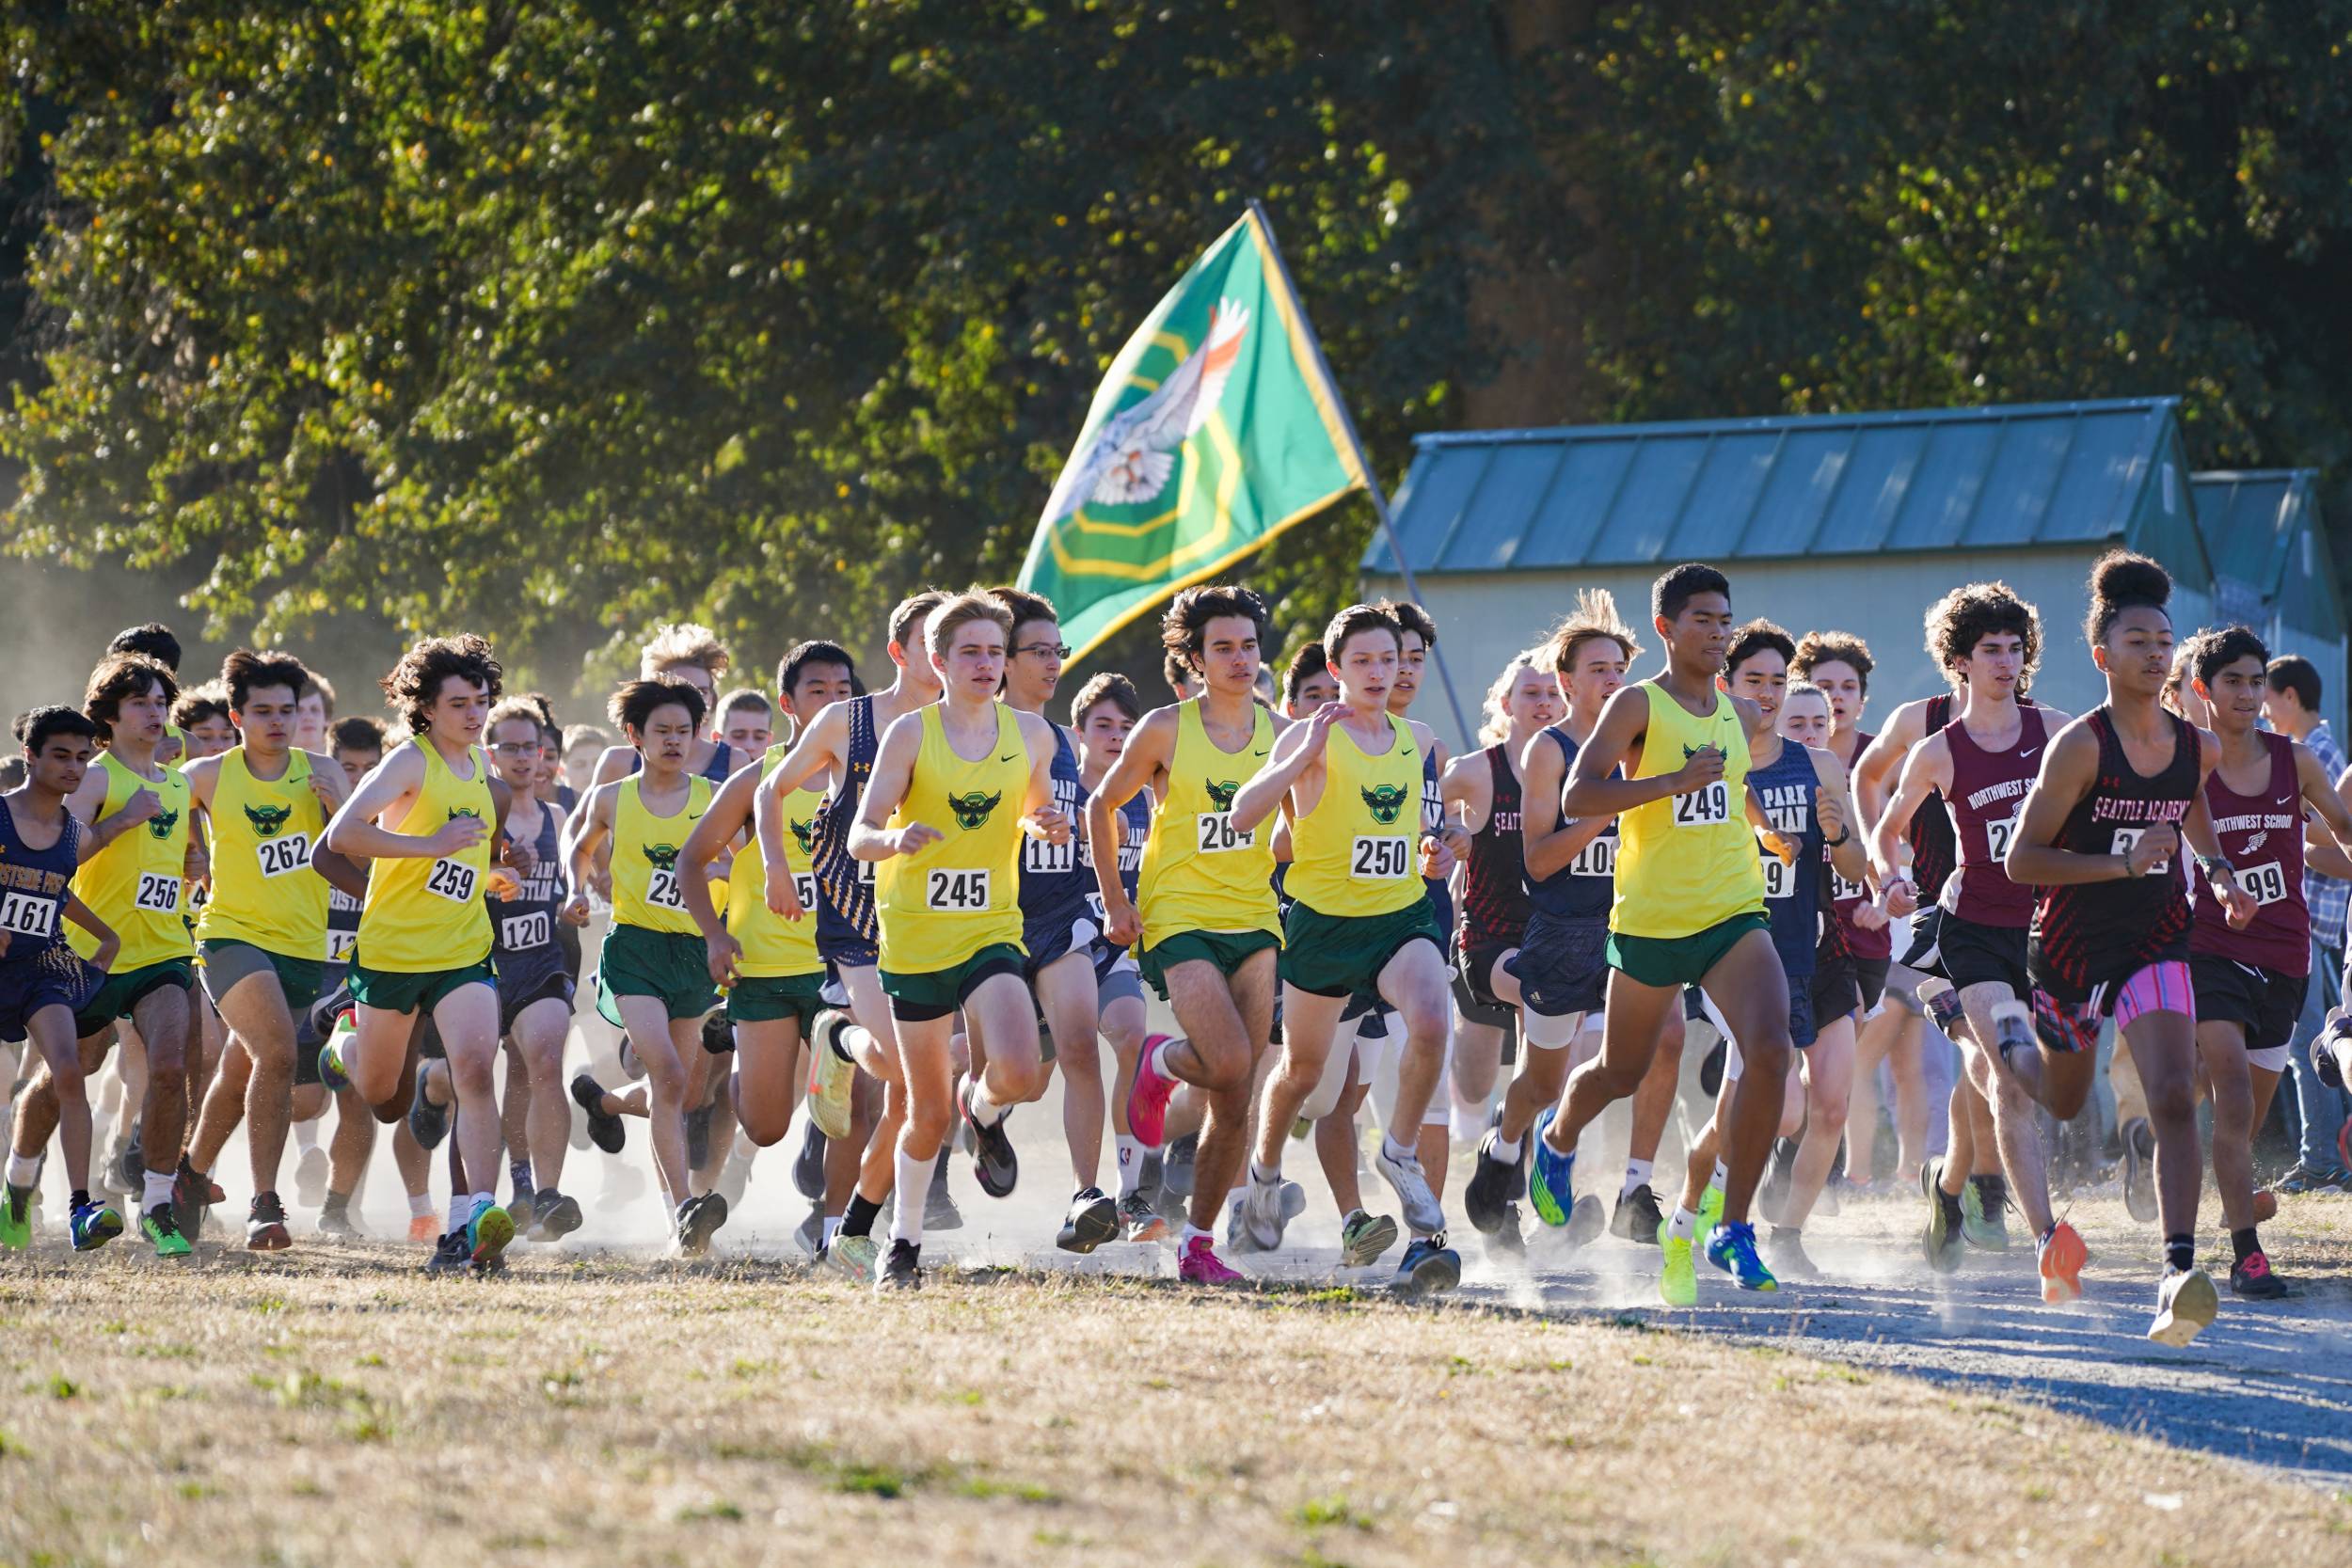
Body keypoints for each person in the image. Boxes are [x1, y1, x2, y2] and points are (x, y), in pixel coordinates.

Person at [2006, 552, 2256, 1346]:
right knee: (2065, 1096)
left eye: (2164, 640)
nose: (2155, 652)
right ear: (2102, 655)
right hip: (2072, 945)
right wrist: (2118, 862)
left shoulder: (2198, 746)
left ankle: (2176, 1272)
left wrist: (2217, 874)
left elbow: (2191, 814)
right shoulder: (2079, 747)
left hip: (2157, 934)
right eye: (2138, 639)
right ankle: (2000, 1047)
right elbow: (2021, 861)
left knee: (2176, 1093)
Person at [1523, 562, 1794, 1296]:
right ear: (1668, 629)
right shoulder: (1638, 705)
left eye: (1725, 619)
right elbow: (1580, 793)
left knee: (1773, 1050)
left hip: (1732, 910)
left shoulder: (1737, 713)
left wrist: (1769, 834)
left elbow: (1734, 786)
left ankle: (1731, 1227)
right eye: (1702, 619)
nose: (1718, 632)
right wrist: (1670, 782)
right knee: (1619, 1069)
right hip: (1651, 920)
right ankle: (1556, 1138)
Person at [1228, 603, 1464, 1293]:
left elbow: (1422, 826)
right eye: (1360, 661)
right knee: (1301, 1072)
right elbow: (1244, 812)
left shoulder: (1418, 737)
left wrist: (1435, 848)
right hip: (1323, 925)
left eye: (1387, 660)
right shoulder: (1311, 735)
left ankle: (1397, 1153)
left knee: (1430, 1021)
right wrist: (1299, 756)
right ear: (1335, 669)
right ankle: (1265, 1174)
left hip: (1400, 917)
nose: (1376, 672)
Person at [1867, 583, 2083, 1298]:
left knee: (1986, 1077)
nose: (2005, 660)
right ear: (1960, 660)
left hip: (2046, 931)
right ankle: (2049, 1239)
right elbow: (1888, 827)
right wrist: (1889, 881)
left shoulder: (2055, 729)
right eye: (1990, 648)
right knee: (2011, 1080)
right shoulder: (1938, 749)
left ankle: (1948, 1186)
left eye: (2016, 648)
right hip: (1972, 934)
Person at [850, 592, 1071, 1290]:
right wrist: (894, 837)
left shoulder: (1033, 734)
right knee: (924, 1111)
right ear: (937, 661)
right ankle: (904, 1243)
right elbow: (859, 833)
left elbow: (1035, 807)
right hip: (914, 940)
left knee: (1020, 1071)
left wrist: (1044, 826)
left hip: (991, 931)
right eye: (969, 652)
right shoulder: (911, 734)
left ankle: (986, 1107)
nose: (985, 663)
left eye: (995, 652)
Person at [1090, 586, 1285, 1286]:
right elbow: (1099, 805)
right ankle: (1160, 1060)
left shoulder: (1280, 728)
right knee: (1229, 1060)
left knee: (1237, 1096)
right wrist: (1117, 900)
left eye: (1249, 645)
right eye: (1223, 648)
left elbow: (1293, 829)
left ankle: (1199, 1244)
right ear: (1196, 660)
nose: (1239, 658)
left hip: (1256, 918)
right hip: (1178, 914)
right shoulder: (1167, 729)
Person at [753, 592, 954, 1264]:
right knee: (901, 1067)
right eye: (934, 639)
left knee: (916, 1096)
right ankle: (837, 1035)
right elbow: (771, 788)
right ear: (902, 651)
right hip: (855, 915)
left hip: (931, 918)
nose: (946, 653)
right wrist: (777, 869)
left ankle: (853, 1232)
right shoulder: (849, 721)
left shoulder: (973, 728)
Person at [321, 634, 526, 1275]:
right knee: (384, 1095)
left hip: (464, 950)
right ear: (427, 709)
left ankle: (475, 1218)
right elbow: (343, 834)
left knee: (474, 1069)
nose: (474, 713)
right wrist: (430, 842)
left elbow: (467, 862)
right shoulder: (410, 763)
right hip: (392, 952)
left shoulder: (489, 785)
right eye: (459, 702)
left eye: (482, 700)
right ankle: (343, 1046)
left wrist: (492, 876)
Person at [679, 643, 865, 1266]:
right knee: (766, 1125)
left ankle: (837, 1230)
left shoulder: (876, 773)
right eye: (819, 690)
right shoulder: (760, 778)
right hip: (761, 969)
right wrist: (714, 935)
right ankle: (735, 1047)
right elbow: (691, 859)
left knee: (847, 1103)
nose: (835, 701)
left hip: (843, 969)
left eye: (845, 689)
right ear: (789, 704)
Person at [2183, 628, 2352, 1295]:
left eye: (2257, 681)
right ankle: (2247, 1254)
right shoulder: (2185, 764)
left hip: (2287, 955)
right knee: (2229, 1102)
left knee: (2246, 1121)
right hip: (2213, 949)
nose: (2249, 694)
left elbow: (2343, 829)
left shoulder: (2298, 760)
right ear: (2204, 688)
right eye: (2233, 681)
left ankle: (2216, 1186)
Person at [177, 650, 358, 1251]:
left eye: (287, 710)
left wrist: (338, 805)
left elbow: (358, 859)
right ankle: (265, 1203)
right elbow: (155, 834)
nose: (277, 722)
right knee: (278, 1054)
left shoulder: (322, 771)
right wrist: (183, 857)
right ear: (236, 715)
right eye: (262, 711)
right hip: (230, 936)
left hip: (303, 948)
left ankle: (191, 1177)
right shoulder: (206, 776)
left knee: (241, 1067)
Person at [564, 676, 729, 1254]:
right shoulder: (614, 797)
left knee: (678, 1093)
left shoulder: (715, 796)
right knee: (668, 1077)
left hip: (694, 955)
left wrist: (722, 873)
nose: (674, 741)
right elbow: (580, 846)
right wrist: (576, 889)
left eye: (684, 731)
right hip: (635, 949)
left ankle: (605, 1101)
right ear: (635, 735)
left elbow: (742, 862)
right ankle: (680, 1213)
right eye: (661, 731)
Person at [990, 587, 1120, 1254]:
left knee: (1079, 1046)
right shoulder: (977, 730)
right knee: (1015, 1075)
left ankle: (1085, 1196)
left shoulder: (1065, 740)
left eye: (1057, 650)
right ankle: (982, 1112)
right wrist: (1021, 820)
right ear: (1003, 660)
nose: (1052, 662)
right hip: (992, 922)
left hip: (1063, 915)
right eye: (1038, 650)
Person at [60, 654, 199, 1256]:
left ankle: (160, 1204)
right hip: (90, 958)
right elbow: (53, 857)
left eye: (161, 703)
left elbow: (179, 854)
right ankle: (19, 1180)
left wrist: (200, 863)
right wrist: (118, 822)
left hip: (164, 955)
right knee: (72, 1075)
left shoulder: (179, 782)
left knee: (169, 1071)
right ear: (109, 718)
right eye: (140, 703)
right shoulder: (96, 778)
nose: (155, 713)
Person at [1441, 648, 1562, 1230]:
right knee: (1477, 1074)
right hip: (1490, 938)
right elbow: (1420, 808)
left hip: (1560, 938)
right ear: (1505, 704)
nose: (1542, 704)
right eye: (1530, 694)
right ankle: (1500, 1144)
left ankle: (1520, 1187)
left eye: (1550, 694)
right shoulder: (1477, 769)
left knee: (1552, 1073)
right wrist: (1446, 836)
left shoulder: (1581, 768)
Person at [1791, 631, 1915, 1192]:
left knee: (1844, 1053)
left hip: (1863, 933)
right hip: (1795, 929)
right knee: (1795, 1057)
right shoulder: (1778, 759)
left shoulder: (1879, 761)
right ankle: (1794, 1148)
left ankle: (1823, 1156)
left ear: (1863, 700)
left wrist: (1885, 895)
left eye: (1847, 688)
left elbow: (1910, 840)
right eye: (1823, 687)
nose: (1835, 698)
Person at [0, 707, 125, 1253]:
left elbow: (53, 889)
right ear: (30, 754)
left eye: (82, 757)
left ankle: (81, 1207)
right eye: (60, 756)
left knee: (69, 1070)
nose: (73, 768)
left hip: (40, 968)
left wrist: (107, 936)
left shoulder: (72, 831)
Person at [481, 697, 583, 1241]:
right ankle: (506, 1182)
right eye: (511, 747)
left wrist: (574, 904)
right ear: (488, 752)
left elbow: (570, 890)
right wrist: (495, 868)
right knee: (470, 1083)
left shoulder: (557, 818)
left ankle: (543, 1196)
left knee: (542, 1062)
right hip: (480, 965)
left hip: (542, 961)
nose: (524, 758)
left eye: (531, 747)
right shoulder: (474, 813)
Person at [1068, 673, 1164, 1241]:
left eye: (1126, 728)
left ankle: (1130, 1197)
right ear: (1078, 731)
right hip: (1050, 950)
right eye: (1102, 725)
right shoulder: (1053, 787)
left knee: (1134, 1038)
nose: (1114, 736)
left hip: (1113, 952)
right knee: (1024, 1079)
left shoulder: (1150, 798)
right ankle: (979, 1114)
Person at [2262, 654, 2352, 1193]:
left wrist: (2289, 840)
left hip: (2312, 927)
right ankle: (2321, 1155)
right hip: (2319, 929)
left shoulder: (2309, 756)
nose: (2263, 709)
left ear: (2290, 697)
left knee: (2308, 1050)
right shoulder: (2323, 753)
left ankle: (2320, 1158)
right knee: (2304, 1050)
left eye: (2266, 694)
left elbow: (2334, 846)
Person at [294, 673, 336, 754]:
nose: (308, 717)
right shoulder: (269, 766)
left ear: (327, 718)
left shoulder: (343, 765)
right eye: (298, 710)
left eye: (314, 710)